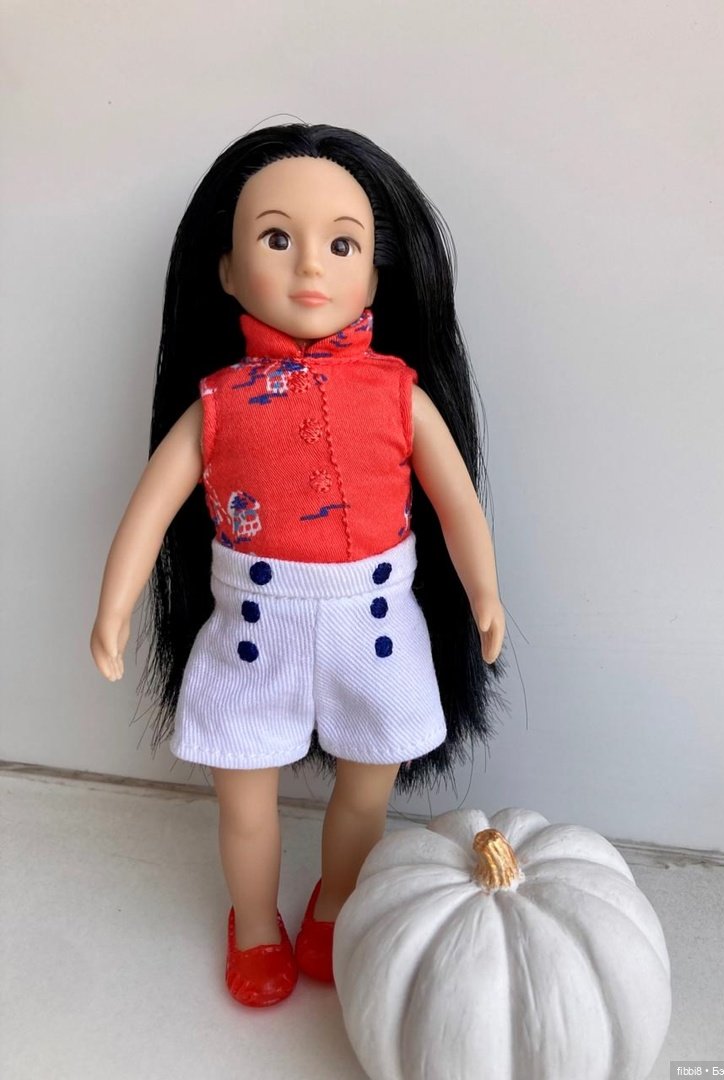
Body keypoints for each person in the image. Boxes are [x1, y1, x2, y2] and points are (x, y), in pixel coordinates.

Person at [90, 124, 506, 1007]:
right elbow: (151, 507)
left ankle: (336, 903)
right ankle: (254, 923)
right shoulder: (218, 403)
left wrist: (483, 591)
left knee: (365, 794)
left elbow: (456, 503)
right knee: (245, 803)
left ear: (374, 277)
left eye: (342, 244)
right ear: (227, 270)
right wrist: (115, 606)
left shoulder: (400, 394)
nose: (311, 265)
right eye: (277, 238)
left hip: (375, 625)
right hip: (253, 630)